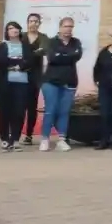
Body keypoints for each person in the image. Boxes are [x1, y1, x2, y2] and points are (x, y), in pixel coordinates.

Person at [41, 16, 83, 152]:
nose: (68, 29)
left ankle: (62, 139)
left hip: (70, 81)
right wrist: (67, 56)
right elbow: (52, 58)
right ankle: (45, 139)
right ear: (60, 27)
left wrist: (62, 55)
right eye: (65, 26)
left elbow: (77, 56)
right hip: (51, 81)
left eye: (71, 27)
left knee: (64, 112)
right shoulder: (51, 42)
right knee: (50, 111)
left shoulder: (76, 42)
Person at [0, 21, 33, 151]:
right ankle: (4, 139)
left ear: (20, 30)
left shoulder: (25, 46)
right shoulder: (3, 46)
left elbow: (29, 61)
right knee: (4, 111)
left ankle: (15, 139)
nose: (14, 30)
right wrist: (18, 63)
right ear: (7, 31)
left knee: (19, 111)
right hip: (5, 83)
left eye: (16, 28)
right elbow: (2, 61)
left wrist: (18, 65)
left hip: (22, 83)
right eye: (10, 28)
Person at [22, 13, 51, 145]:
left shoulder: (43, 37)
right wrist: (34, 52)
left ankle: (29, 134)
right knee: (19, 105)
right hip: (19, 74)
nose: (33, 23)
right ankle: (16, 133)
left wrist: (28, 54)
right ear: (27, 23)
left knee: (32, 106)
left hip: (35, 75)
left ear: (39, 23)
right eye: (31, 21)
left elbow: (44, 50)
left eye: (36, 21)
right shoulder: (21, 36)